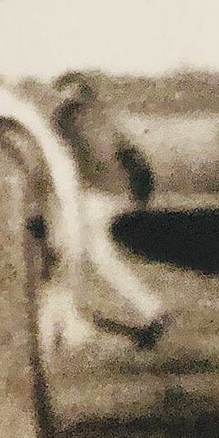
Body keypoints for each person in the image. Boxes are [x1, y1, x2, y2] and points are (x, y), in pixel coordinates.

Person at [51, 71, 167, 344]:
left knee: (71, 253)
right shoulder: (104, 116)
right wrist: (141, 191)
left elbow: (64, 159)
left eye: (62, 91)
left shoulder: (67, 119)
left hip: (90, 194)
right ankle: (151, 308)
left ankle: (65, 324)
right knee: (97, 255)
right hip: (114, 193)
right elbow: (129, 153)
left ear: (73, 92)